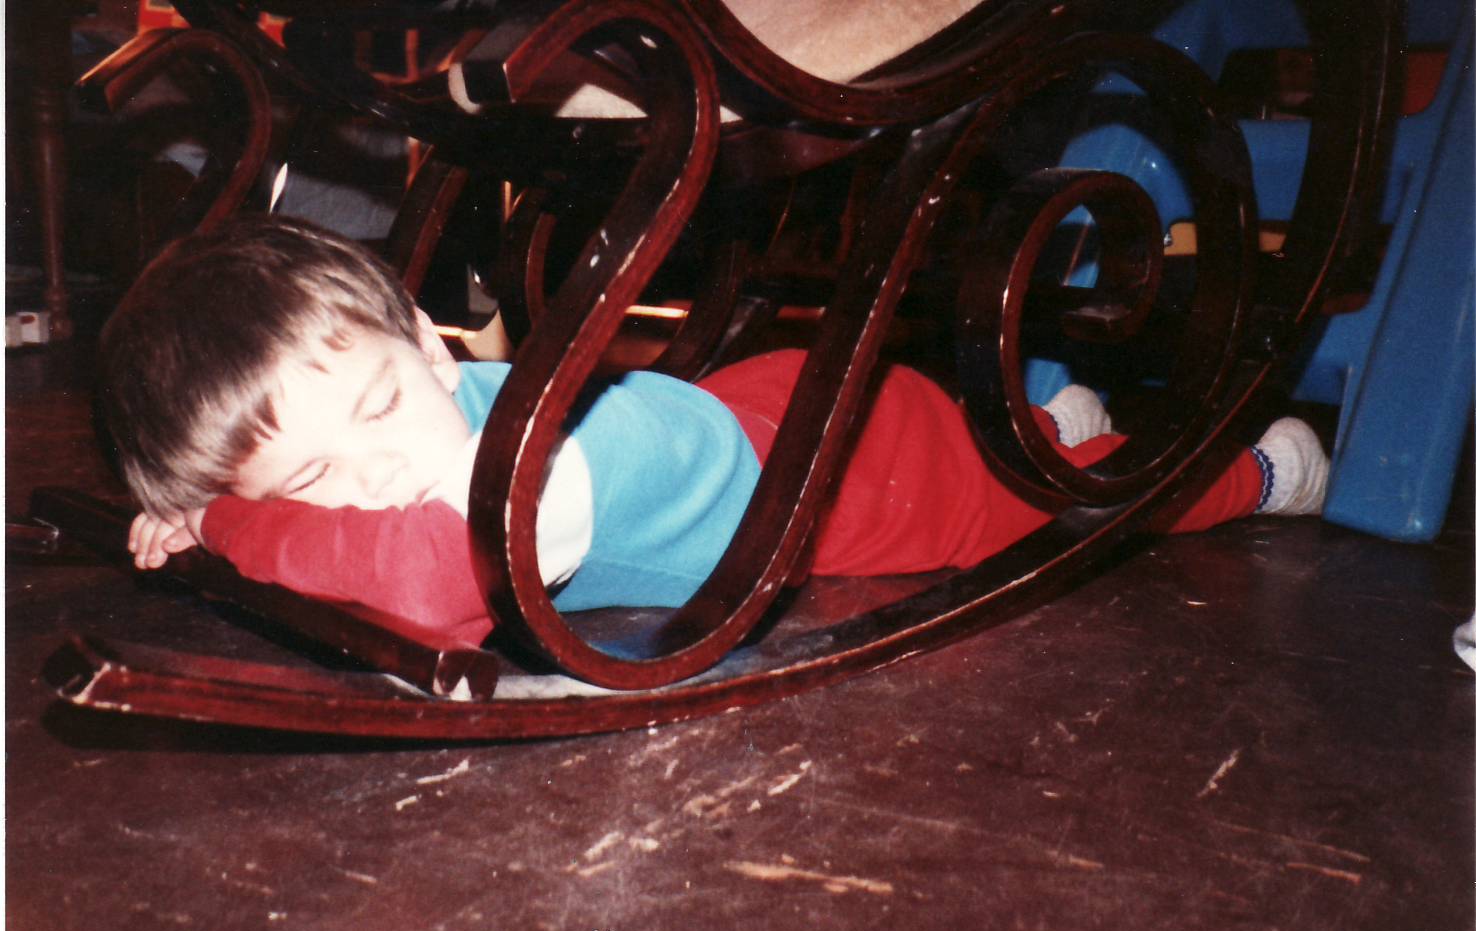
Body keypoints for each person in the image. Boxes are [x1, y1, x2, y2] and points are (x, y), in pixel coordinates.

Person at [101, 215, 1329, 644]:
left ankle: (1255, 467)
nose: (372, 471)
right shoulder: (414, 420)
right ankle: (1042, 406)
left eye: (375, 408)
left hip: (863, 482)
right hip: (771, 403)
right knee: (1009, 430)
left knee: (1073, 501)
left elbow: (428, 579)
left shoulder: (519, 488)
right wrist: (239, 513)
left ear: (431, 343)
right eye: (314, 478)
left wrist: (226, 524)